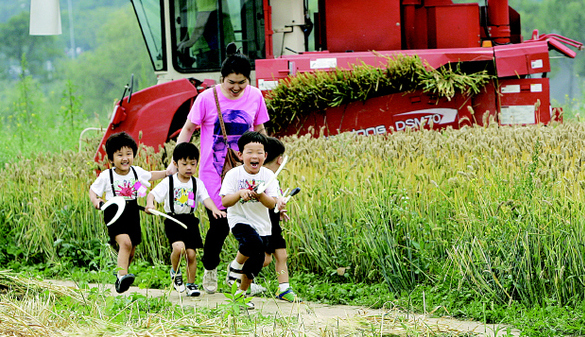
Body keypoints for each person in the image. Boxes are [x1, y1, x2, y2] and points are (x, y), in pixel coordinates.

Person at [167, 43, 270, 294]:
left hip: (247, 172)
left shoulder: (255, 96)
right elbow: (189, 129)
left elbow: (260, 131)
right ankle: (210, 268)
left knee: (252, 224)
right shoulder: (207, 98)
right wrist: (175, 161)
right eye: (231, 82)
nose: (236, 88)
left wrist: (270, 161)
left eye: (242, 82)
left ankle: (242, 275)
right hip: (214, 172)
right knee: (220, 225)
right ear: (222, 78)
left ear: (249, 80)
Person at [89, 132, 166, 294]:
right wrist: (96, 201)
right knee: (125, 243)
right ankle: (122, 274)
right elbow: (93, 190)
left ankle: (120, 274)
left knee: (131, 249)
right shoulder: (107, 176)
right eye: (120, 155)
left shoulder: (136, 173)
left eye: (128, 154)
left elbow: (150, 178)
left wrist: (167, 173)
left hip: (132, 212)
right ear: (111, 159)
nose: (125, 158)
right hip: (114, 213)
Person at [146, 143, 226, 297]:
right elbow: (152, 194)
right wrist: (151, 204)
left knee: (191, 254)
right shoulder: (169, 182)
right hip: (172, 219)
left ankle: (191, 284)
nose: (189, 167)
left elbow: (206, 199)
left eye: (193, 163)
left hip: (190, 221)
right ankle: (175, 273)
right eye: (184, 164)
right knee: (178, 248)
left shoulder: (197, 183)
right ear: (175, 164)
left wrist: (215, 209)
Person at [220, 131, 278, 309]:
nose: (255, 156)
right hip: (239, 219)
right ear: (240, 155)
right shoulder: (233, 175)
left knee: (258, 258)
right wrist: (239, 193)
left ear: (265, 155)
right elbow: (225, 201)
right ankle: (237, 268)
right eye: (250, 152)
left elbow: (272, 204)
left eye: (259, 152)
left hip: (262, 224)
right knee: (255, 245)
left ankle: (241, 293)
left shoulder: (268, 176)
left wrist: (260, 196)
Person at [262, 137, 301, 302]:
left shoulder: (273, 179)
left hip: (273, 222)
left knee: (281, 255)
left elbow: (274, 200)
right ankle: (238, 272)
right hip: (261, 224)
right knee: (264, 259)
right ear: (280, 159)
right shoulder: (261, 177)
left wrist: (279, 210)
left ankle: (284, 288)